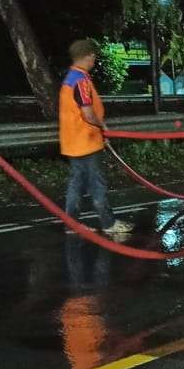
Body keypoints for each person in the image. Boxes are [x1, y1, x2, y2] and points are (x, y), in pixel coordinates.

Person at [60, 39, 133, 241]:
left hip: (73, 141)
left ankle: (71, 224)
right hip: (87, 140)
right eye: (94, 56)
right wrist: (102, 127)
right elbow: (88, 113)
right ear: (88, 56)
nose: (94, 60)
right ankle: (108, 223)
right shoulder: (81, 81)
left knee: (76, 183)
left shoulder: (70, 78)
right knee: (97, 183)